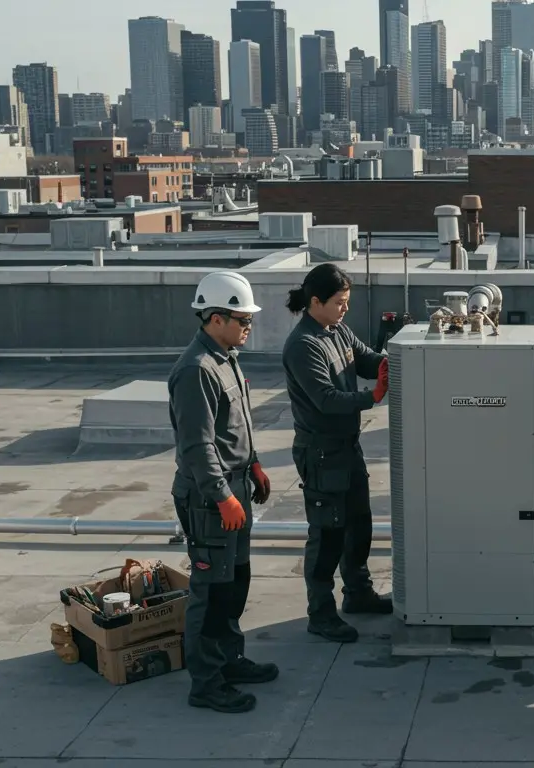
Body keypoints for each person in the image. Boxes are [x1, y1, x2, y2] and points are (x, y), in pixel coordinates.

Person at [168, 270, 278, 714]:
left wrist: (252, 464)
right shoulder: (196, 370)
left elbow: (231, 427)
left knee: (234, 583)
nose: (248, 325)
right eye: (241, 318)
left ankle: (229, 660)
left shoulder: (225, 357)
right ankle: (206, 683)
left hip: (233, 485)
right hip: (209, 496)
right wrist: (221, 496)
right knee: (211, 592)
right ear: (215, 318)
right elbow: (197, 445)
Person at [282, 262, 392, 644]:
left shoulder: (337, 330)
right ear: (316, 302)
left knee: (359, 524)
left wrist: (397, 359)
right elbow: (326, 400)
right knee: (328, 534)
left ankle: (358, 593)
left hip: (346, 446)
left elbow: (367, 359)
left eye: (347, 302)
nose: (346, 309)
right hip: (321, 451)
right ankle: (321, 613)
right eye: (340, 302)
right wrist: (372, 396)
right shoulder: (303, 345)